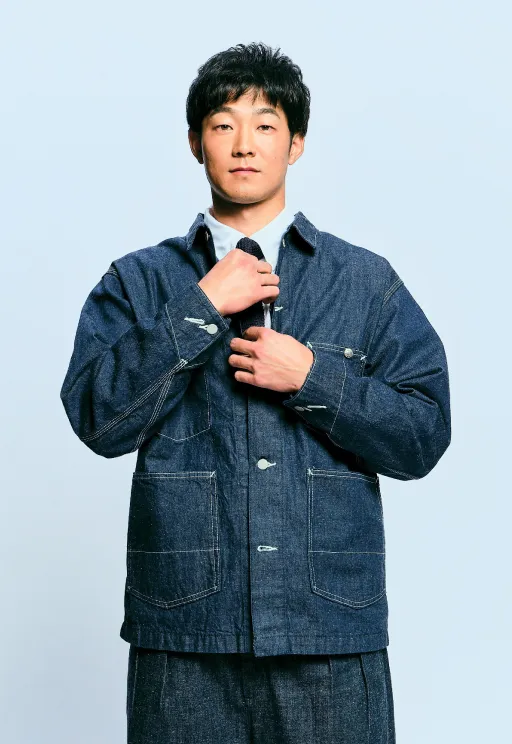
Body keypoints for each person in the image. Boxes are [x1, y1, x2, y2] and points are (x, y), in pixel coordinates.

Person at [60, 41, 451, 743]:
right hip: (185, 639)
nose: (244, 143)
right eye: (223, 124)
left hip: (329, 637)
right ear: (195, 143)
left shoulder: (364, 282)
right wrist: (201, 307)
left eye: (266, 124)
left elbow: (422, 436)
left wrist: (313, 378)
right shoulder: (137, 282)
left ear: (295, 144)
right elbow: (98, 420)